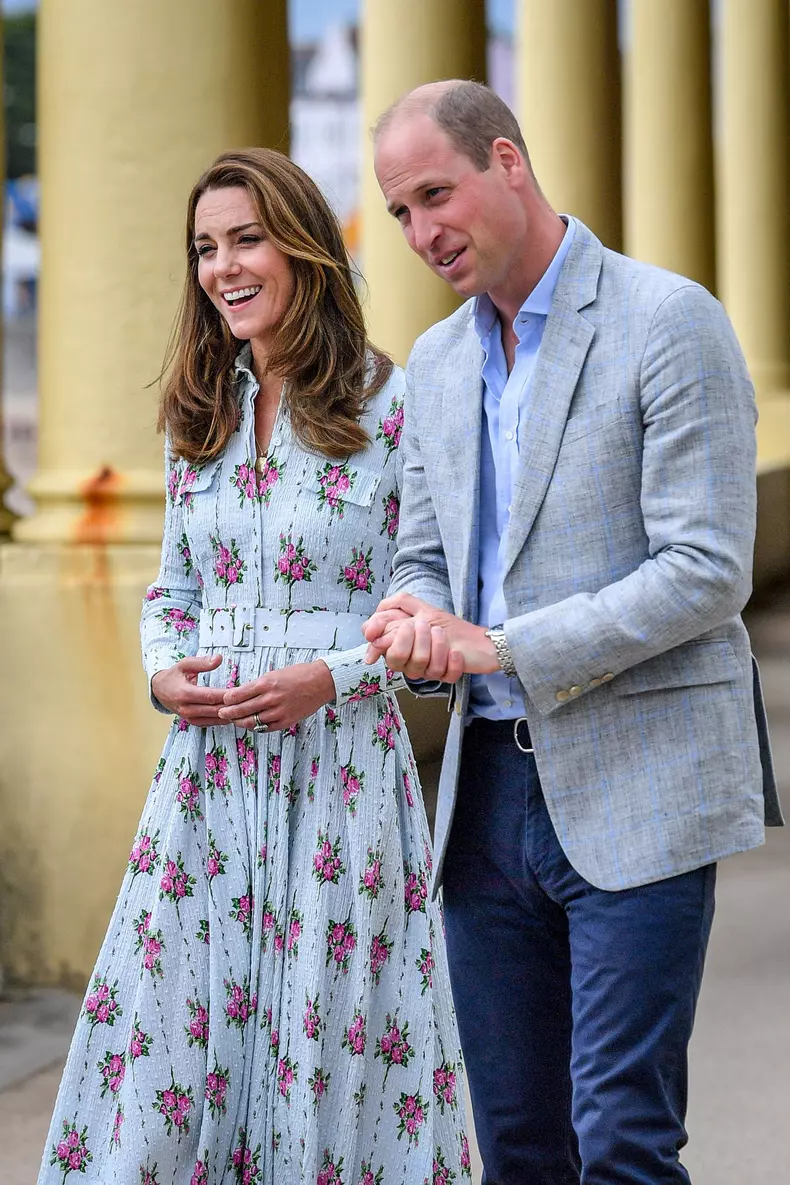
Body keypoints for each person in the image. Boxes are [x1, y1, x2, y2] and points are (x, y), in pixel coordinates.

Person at [364, 80, 783, 1185]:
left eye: (434, 195)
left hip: (638, 781)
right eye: (400, 213)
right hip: (482, 804)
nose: (420, 233)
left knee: (620, 1142)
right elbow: (423, 554)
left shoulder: (666, 318)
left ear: (508, 160)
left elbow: (703, 571)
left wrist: (498, 646)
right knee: (514, 1146)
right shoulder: (438, 363)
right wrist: (410, 612)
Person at [38, 147, 468, 1185]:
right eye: (204, 247)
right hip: (208, 776)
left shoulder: (390, 403)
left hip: (340, 775)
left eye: (246, 239)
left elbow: (431, 589)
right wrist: (160, 675)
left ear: (303, 250)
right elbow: (172, 591)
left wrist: (334, 678)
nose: (223, 266)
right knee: (176, 1034)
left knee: (330, 1038)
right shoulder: (203, 410)